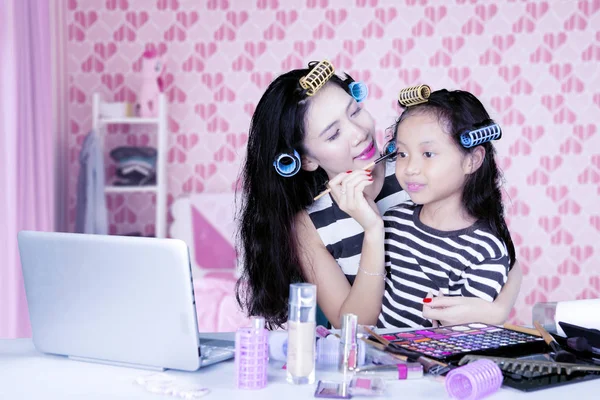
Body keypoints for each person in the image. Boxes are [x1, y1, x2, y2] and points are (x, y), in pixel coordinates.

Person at [235, 61, 521, 329]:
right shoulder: (309, 225)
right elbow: (353, 327)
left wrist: (496, 311)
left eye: (355, 111)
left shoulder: (418, 173)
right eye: (334, 134)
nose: (359, 132)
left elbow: (497, 248)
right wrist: (373, 230)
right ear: (306, 160)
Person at [378, 89, 515, 328]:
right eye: (402, 153)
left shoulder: (483, 251)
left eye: (428, 154)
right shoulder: (392, 221)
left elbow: (458, 341)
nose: (410, 168)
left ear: (472, 160)